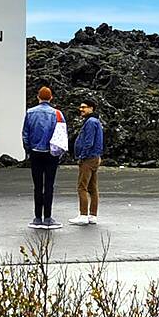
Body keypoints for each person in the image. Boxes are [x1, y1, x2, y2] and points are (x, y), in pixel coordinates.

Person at [22, 86, 64, 229]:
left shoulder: (30, 112)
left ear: (38, 97)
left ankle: (37, 217)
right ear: (51, 98)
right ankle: (48, 217)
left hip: (35, 152)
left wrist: (28, 150)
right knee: (49, 185)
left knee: (37, 186)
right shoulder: (57, 114)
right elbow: (62, 135)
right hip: (51, 153)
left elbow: (25, 134)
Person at [70, 99, 104, 226]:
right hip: (95, 157)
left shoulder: (90, 122)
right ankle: (92, 215)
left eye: (84, 107)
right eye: (80, 107)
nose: (81, 109)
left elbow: (88, 142)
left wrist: (82, 156)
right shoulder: (96, 121)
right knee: (92, 188)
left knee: (82, 187)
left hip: (88, 158)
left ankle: (83, 215)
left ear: (91, 108)